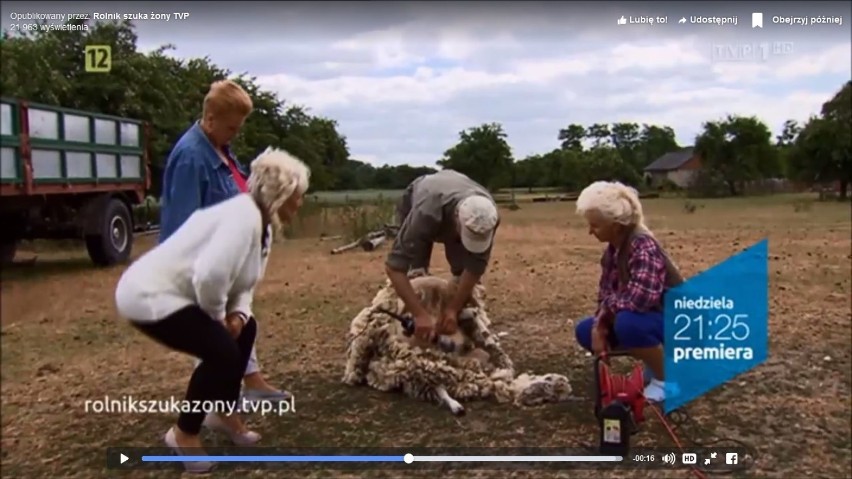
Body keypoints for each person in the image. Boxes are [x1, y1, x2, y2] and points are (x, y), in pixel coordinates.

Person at [115, 147, 309, 473]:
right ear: (281, 193)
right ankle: (184, 433)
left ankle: (222, 412)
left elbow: (245, 283)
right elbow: (211, 275)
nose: (301, 203)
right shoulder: (243, 217)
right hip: (147, 294)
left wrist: (238, 316)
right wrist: (219, 317)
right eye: (298, 195)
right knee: (219, 350)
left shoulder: (263, 225)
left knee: (247, 330)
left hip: (180, 296)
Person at [157, 79, 289, 406]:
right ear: (211, 118)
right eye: (232, 128)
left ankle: (248, 384)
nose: (235, 134)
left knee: (241, 323)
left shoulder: (219, 146)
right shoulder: (191, 157)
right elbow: (183, 224)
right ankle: (209, 409)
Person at [572, 181, 684, 403]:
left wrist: (603, 321)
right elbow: (605, 296)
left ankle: (667, 380)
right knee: (585, 330)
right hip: (654, 318)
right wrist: (599, 327)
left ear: (616, 226)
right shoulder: (612, 252)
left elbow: (641, 299)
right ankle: (655, 363)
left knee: (628, 324)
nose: (590, 231)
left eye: (595, 225)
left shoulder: (644, 247)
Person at [386, 169, 500, 344]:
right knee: (416, 273)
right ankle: (415, 324)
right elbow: (394, 268)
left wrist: (454, 308)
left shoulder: (488, 215)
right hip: (424, 197)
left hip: (452, 205)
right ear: (456, 219)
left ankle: (458, 323)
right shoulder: (425, 213)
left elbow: (475, 266)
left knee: (461, 275)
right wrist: (419, 314)